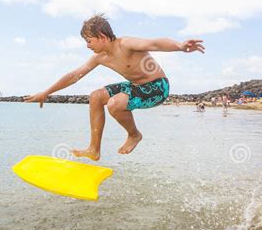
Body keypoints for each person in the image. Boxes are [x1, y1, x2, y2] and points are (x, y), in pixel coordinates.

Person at [24, 14, 205, 160]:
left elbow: (155, 43)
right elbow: (74, 75)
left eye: (89, 40)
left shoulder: (126, 44)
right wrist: (47, 92)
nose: (87, 46)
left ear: (102, 37)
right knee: (95, 96)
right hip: (135, 86)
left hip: (158, 87)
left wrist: (180, 46)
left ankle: (134, 135)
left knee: (114, 103)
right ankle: (94, 150)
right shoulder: (99, 57)